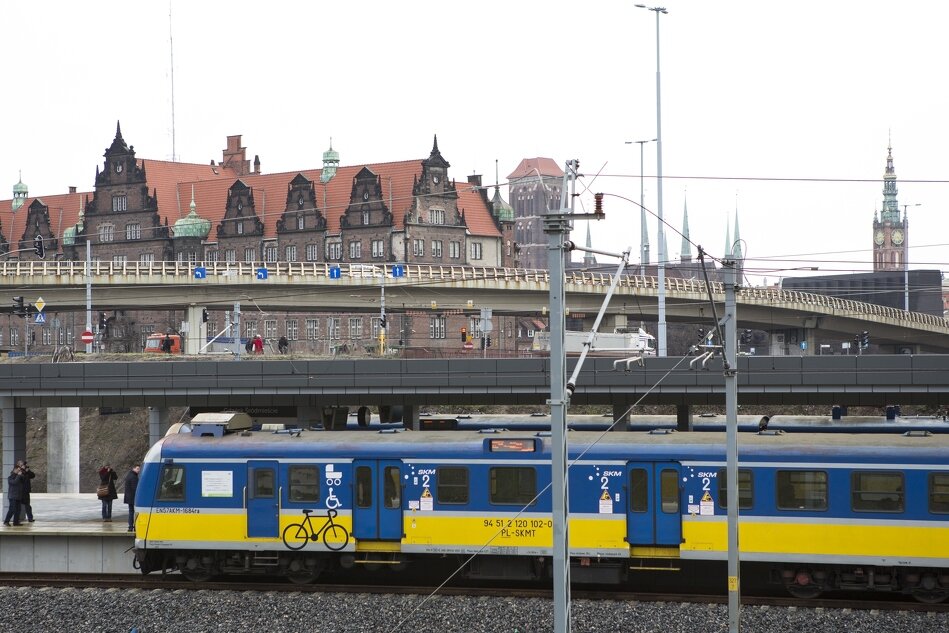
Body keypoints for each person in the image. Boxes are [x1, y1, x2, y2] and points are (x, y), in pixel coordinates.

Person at [123, 464, 140, 532]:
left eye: (139, 469)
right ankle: (132, 526)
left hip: (129, 497)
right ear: (134, 469)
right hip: (133, 497)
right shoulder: (133, 477)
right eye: (137, 469)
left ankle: (130, 526)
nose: (138, 470)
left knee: (131, 511)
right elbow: (135, 488)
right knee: (133, 512)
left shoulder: (129, 475)